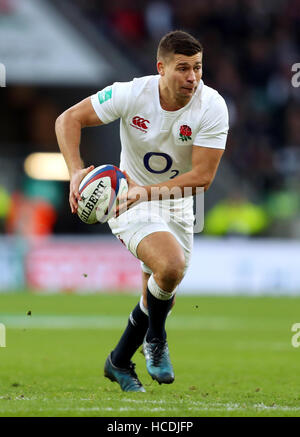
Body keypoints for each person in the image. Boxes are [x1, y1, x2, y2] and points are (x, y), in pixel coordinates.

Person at [55, 30, 229, 392]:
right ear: (160, 68)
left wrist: (147, 192)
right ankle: (155, 339)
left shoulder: (212, 106)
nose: (192, 77)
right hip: (125, 196)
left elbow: (203, 177)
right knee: (170, 265)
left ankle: (119, 361)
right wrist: (75, 171)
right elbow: (68, 119)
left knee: (164, 284)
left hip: (177, 201)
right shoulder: (131, 93)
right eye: (183, 68)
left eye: (197, 68)